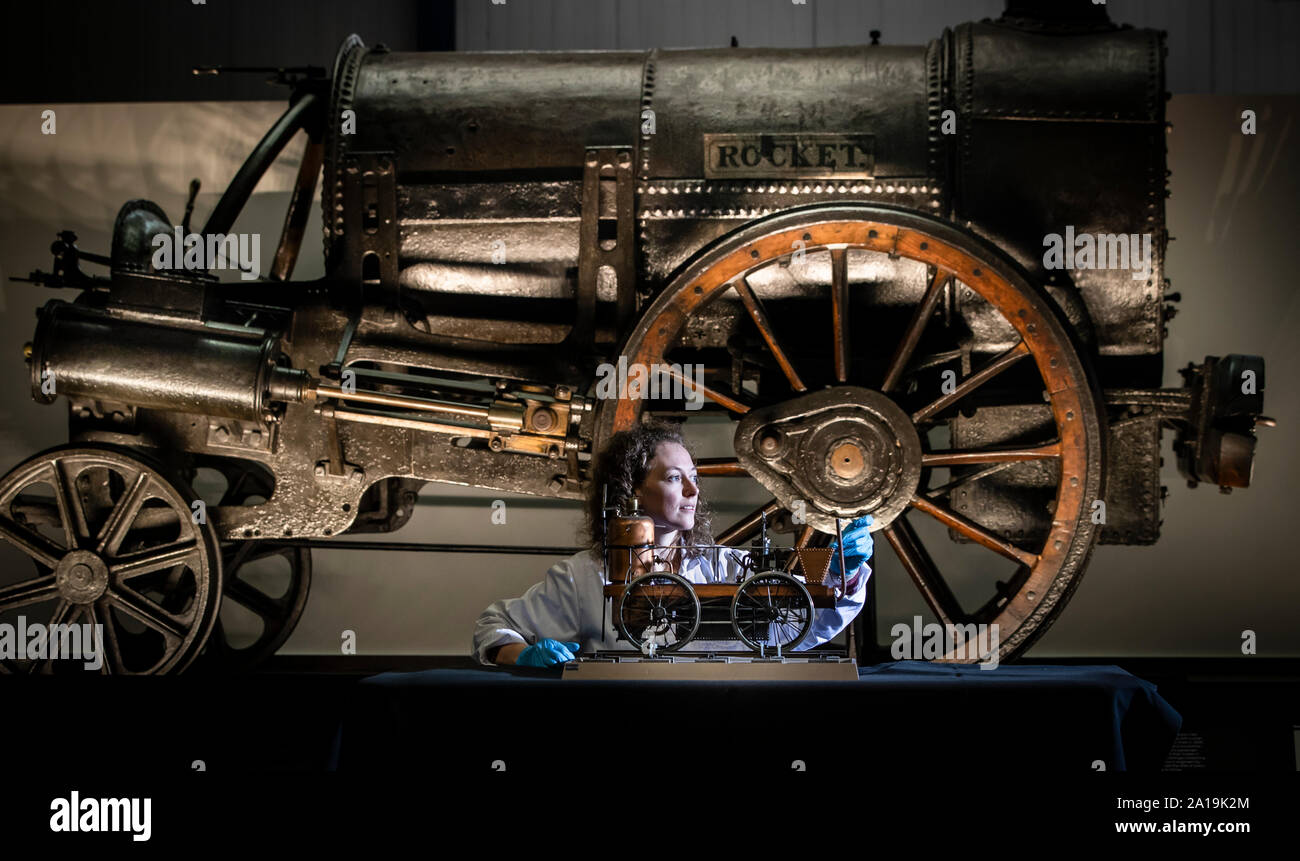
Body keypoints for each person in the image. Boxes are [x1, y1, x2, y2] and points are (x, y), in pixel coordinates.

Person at [471, 422, 874, 666]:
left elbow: (804, 627)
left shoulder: (726, 568)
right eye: (674, 478)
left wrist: (845, 572)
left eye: (694, 476)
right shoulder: (583, 576)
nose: (694, 490)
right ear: (633, 490)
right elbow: (494, 627)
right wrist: (521, 655)